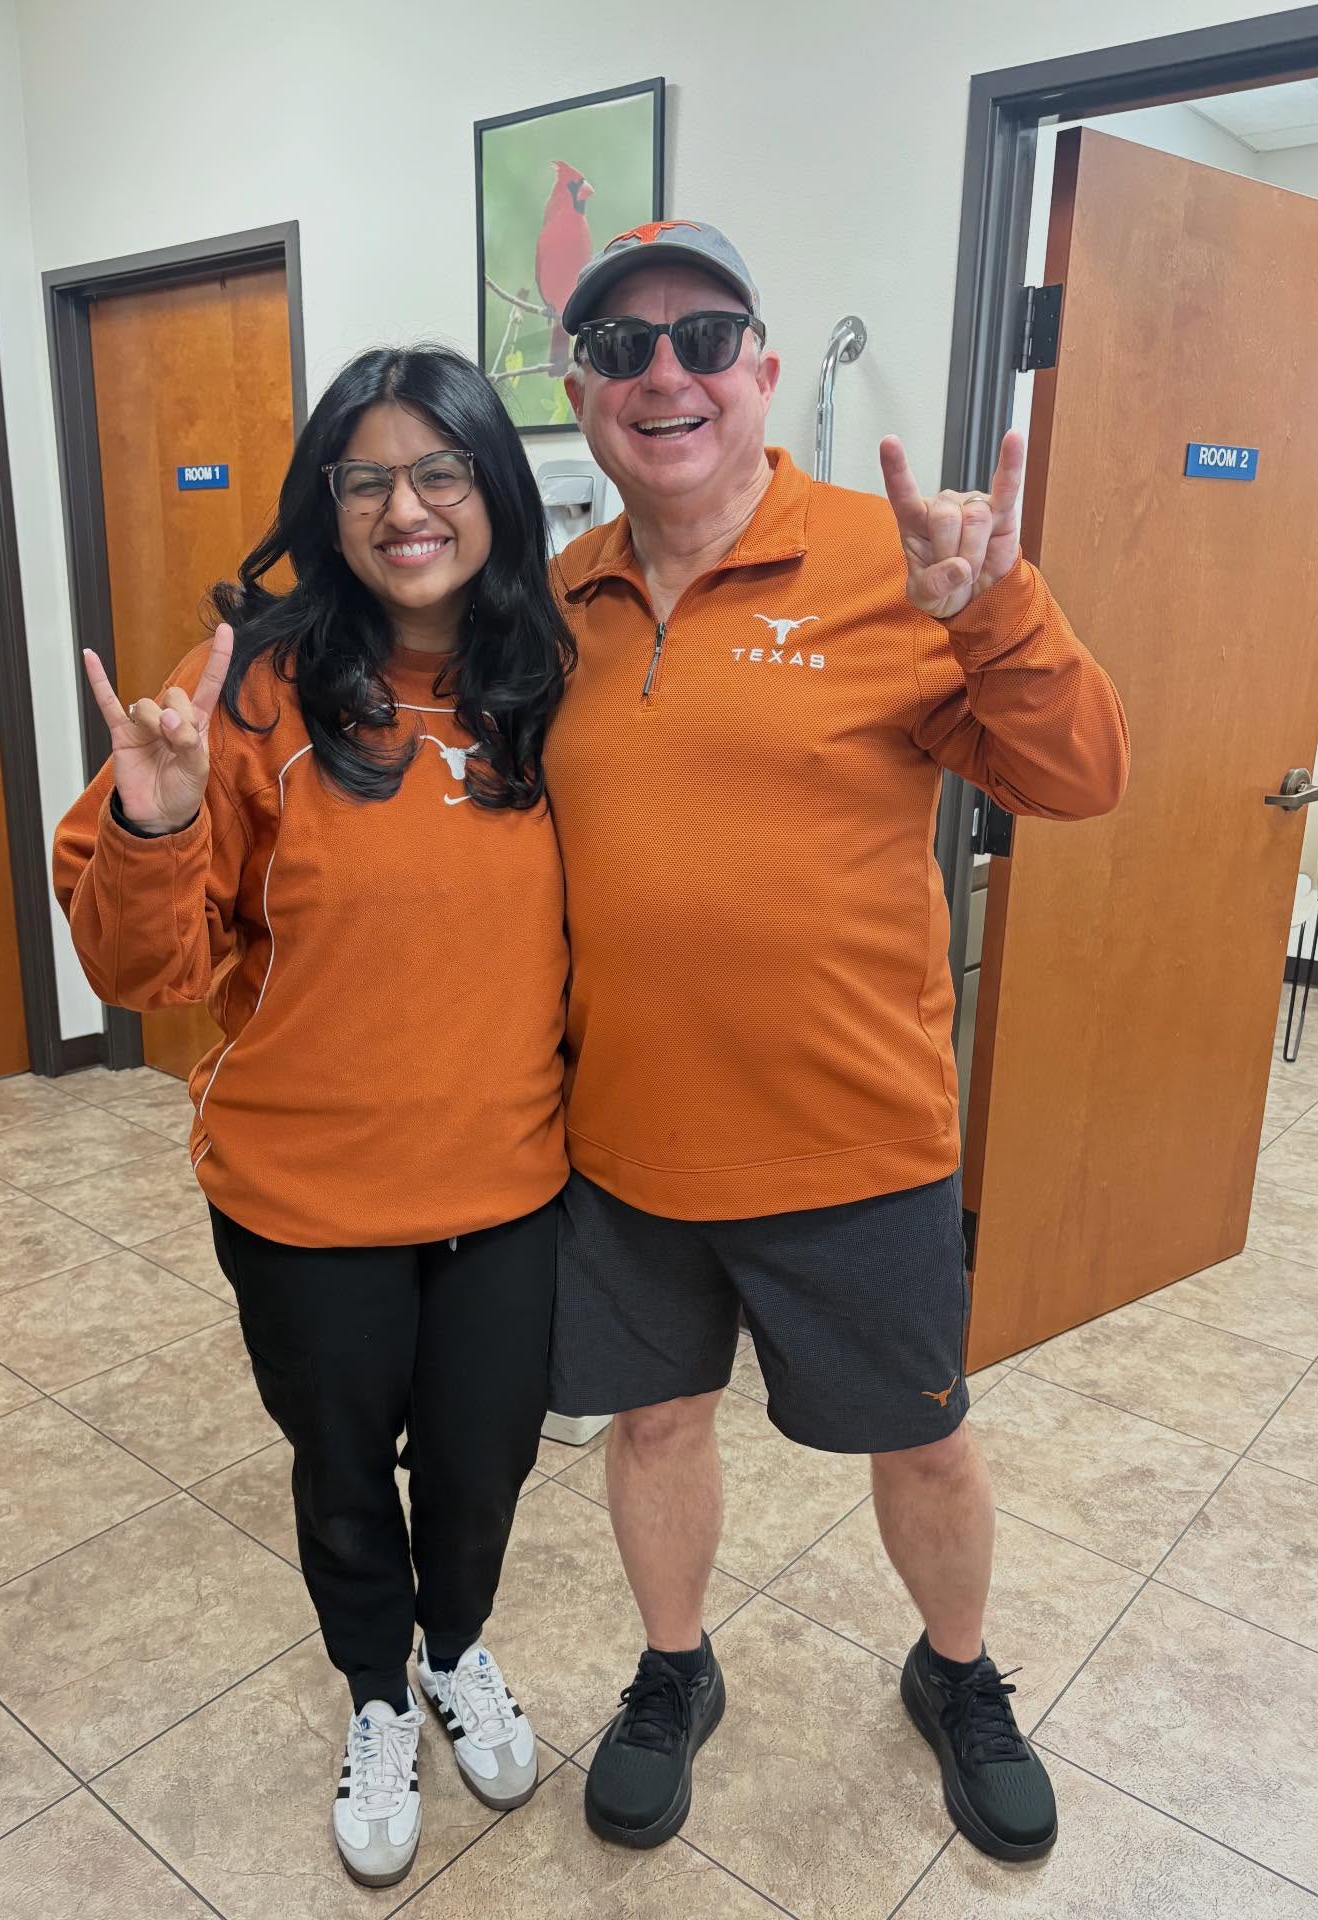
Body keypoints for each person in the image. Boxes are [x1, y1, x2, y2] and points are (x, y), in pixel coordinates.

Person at [544, 221, 1130, 1861]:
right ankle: (675, 1668)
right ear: (583, 391)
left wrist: (998, 607)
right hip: (627, 1142)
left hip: (856, 1137)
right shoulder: (557, 603)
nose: (665, 373)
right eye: (623, 346)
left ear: (765, 369)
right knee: (655, 1425)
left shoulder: (901, 563)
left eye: (704, 337)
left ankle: (959, 1673)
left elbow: (1082, 776)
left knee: (925, 1444)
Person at [53, 346, 573, 1891]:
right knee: (344, 1471)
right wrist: (155, 819)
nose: (407, 508)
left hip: (510, 1184)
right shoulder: (253, 688)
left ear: (495, 487)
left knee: (481, 1467)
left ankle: (454, 1651)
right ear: (326, 505)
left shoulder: (550, 678)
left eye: (441, 472)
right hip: (303, 1194)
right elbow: (147, 971)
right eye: (368, 480)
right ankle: (375, 1695)